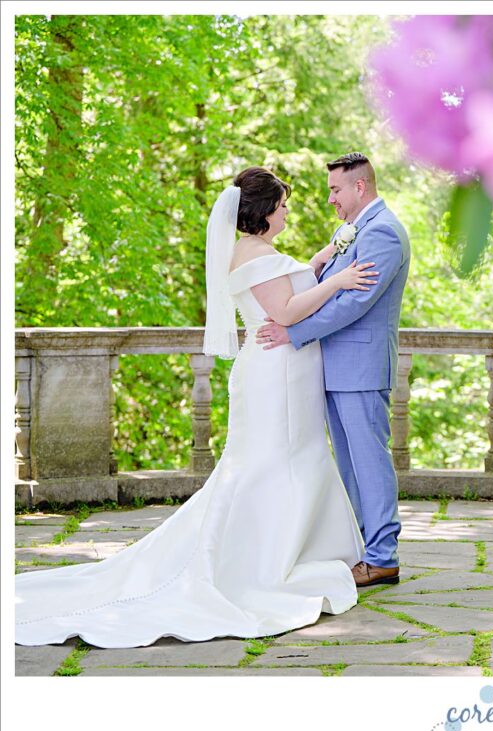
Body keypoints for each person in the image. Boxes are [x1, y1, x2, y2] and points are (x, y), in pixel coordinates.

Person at [15, 167, 377, 648]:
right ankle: (266, 559)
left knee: (284, 459)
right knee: (275, 461)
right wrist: (340, 281)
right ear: (265, 213)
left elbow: (288, 282)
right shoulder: (256, 258)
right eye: (284, 204)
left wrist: (326, 258)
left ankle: (294, 545)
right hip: (279, 375)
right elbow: (286, 311)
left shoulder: (253, 252)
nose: (289, 211)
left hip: (279, 370)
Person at [255, 153, 411, 588]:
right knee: (349, 465)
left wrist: (295, 332)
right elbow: (329, 290)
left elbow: (354, 303)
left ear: (360, 187)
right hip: (338, 366)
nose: (330, 200)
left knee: (369, 463)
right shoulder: (351, 231)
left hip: (360, 367)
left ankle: (383, 557)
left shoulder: (382, 232)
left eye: (335, 190)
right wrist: (322, 263)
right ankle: (364, 549)